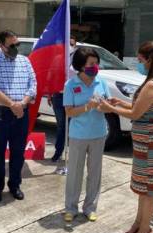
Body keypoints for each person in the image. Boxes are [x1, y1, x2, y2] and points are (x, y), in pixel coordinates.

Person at [98, 41, 153, 233]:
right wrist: (120, 102)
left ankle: (145, 228)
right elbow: (141, 107)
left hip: (151, 142)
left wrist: (109, 107)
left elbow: (136, 114)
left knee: (148, 190)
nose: (139, 63)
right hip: (146, 141)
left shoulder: (152, 84)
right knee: (142, 188)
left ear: (150, 60)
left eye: (140, 60)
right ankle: (139, 224)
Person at [0, 30, 37, 203]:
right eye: (11, 45)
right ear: (1, 45)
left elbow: (33, 84)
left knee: (18, 153)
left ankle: (15, 185)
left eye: (17, 44)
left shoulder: (25, 61)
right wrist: (12, 105)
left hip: (21, 113)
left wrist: (22, 103)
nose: (15, 48)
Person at [63, 47, 111, 222]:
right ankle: (70, 207)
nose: (95, 67)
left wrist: (104, 105)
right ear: (81, 66)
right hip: (78, 135)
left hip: (98, 134)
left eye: (97, 63)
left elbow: (108, 105)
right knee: (75, 173)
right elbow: (68, 111)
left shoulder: (102, 83)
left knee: (95, 173)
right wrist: (86, 107)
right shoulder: (71, 85)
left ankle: (90, 208)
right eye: (92, 64)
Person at [47, 35, 77, 176]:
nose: (69, 46)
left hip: (72, 98)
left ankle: (72, 156)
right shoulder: (58, 58)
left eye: (72, 43)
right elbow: (51, 76)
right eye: (67, 43)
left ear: (75, 45)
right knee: (61, 126)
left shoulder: (78, 61)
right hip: (58, 97)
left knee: (71, 127)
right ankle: (58, 152)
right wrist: (50, 93)